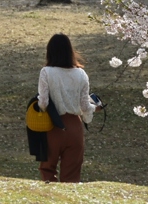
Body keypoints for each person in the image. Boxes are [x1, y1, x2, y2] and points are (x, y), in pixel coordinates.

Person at [37, 33, 102, 183]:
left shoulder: (46, 72)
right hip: (74, 127)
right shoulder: (81, 74)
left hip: (52, 126)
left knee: (47, 169)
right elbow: (85, 105)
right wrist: (95, 109)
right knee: (72, 174)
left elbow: (43, 103)